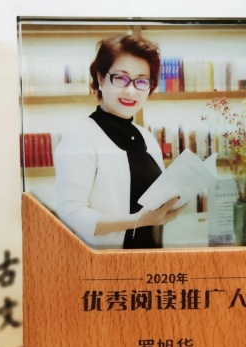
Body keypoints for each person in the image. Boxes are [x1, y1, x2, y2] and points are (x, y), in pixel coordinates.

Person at [54, 34, 183, 249]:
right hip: (107, 263)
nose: (131, 90)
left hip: (154, 259)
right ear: (101, 79)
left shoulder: (148, 138)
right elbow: (71, 214)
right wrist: (137, 221)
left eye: (141, 81)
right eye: (121, 78)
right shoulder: (79, 137)